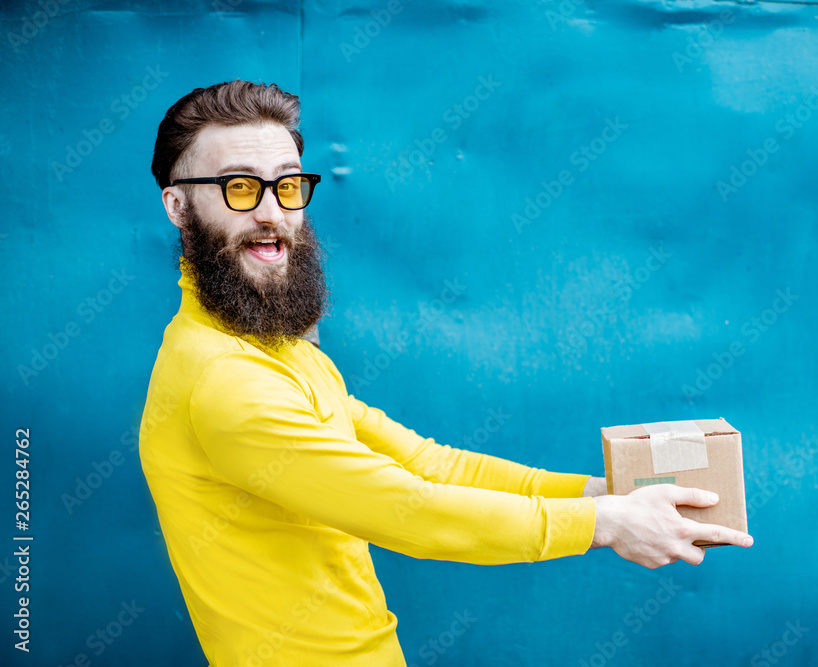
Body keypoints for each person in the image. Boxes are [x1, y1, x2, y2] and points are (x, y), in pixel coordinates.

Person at [138, 79, 754, 666]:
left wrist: (605, 493)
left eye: (288, 187)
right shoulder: (224, 382)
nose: (272, 213)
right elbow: (410, 508)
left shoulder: (273, 352)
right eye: (239, 188)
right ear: (177, 204)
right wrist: (604, 525)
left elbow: (430, 465)